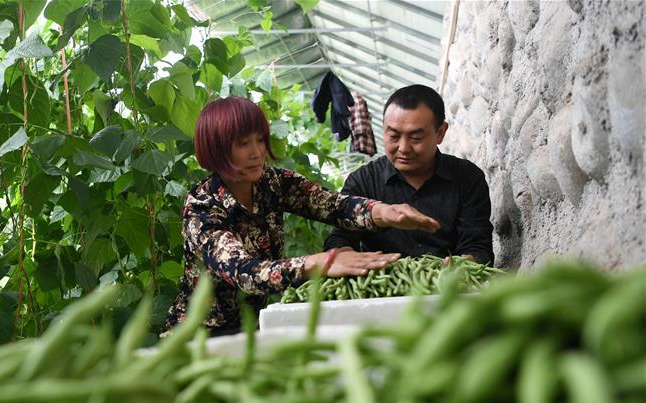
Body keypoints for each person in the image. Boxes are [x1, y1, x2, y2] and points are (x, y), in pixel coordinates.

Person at [162, 96, 441, 336]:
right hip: (200, 335)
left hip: (252, 326)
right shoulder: (202, 207)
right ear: (218, 148)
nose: (257, 152)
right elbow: (245, 272)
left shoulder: (271, 183)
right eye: (243, 144)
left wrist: (384, 212)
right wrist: (318, 263)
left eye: (260, 140)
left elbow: (332, 205)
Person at [324, 85, 494, 265]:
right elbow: (340, 237)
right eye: (394, 136)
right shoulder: (363, 181)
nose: (403, 148)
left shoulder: (468, 178)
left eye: (415, 137)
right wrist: (345, 255)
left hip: (450, 288)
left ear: (440, 133)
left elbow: (478, 246)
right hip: (383, 289)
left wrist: (463, 264)